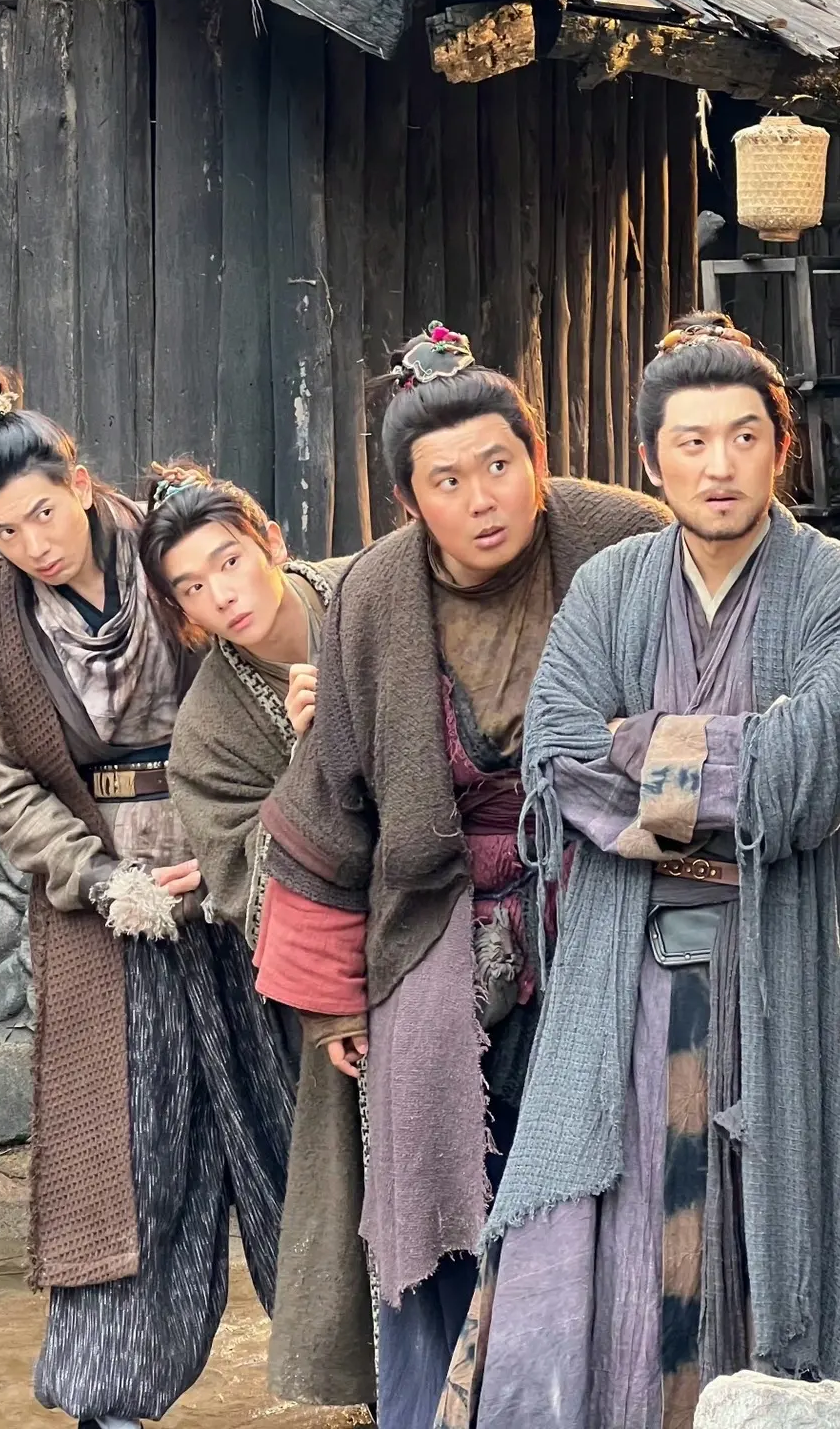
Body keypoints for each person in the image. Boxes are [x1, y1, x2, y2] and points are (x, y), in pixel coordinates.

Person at [447, 312, 840, 1429]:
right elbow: (561, 753)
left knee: (775, 1208)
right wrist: (724, 767)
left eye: (744, 437)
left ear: (781, 448)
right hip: (624, 958)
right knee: (599, 1206)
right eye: (691, 443)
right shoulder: (611, 587)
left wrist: (644, 754)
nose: (719, 465)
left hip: (776, 953)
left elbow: (805, 777)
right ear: (652, 462)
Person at [252, 324, 668, 1429]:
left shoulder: (625, 541)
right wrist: (335, 998)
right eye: (447, 480)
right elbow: (330, 800)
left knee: (601, 1183)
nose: (483, 498)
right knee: (442, 1195)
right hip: (435, 925)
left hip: (602, 905)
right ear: (408, 501)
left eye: (499, 463)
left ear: (538, 457)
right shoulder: (373, 598)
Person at [0, 365, 294, 1429]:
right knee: (135, 1155)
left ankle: (372, 1363)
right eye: (4, 532)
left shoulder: (170, 554)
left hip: (243, 869)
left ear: (81, 484)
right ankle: (112, 1398)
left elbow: (272, 662)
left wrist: (244, 847)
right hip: (108, 905)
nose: (33, 544)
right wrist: (100, 879)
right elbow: (2, 779)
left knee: (295, 1125)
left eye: (44, 513)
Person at [140, 460, 375, 1411]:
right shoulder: (209, 728)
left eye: (230, 561)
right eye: (192, 587)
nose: (222, 595)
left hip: (475, 907)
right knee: (373, 1191)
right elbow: (247, 882)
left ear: (271, 540)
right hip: (346, 965)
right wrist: (312, 759)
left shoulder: (371, 592)